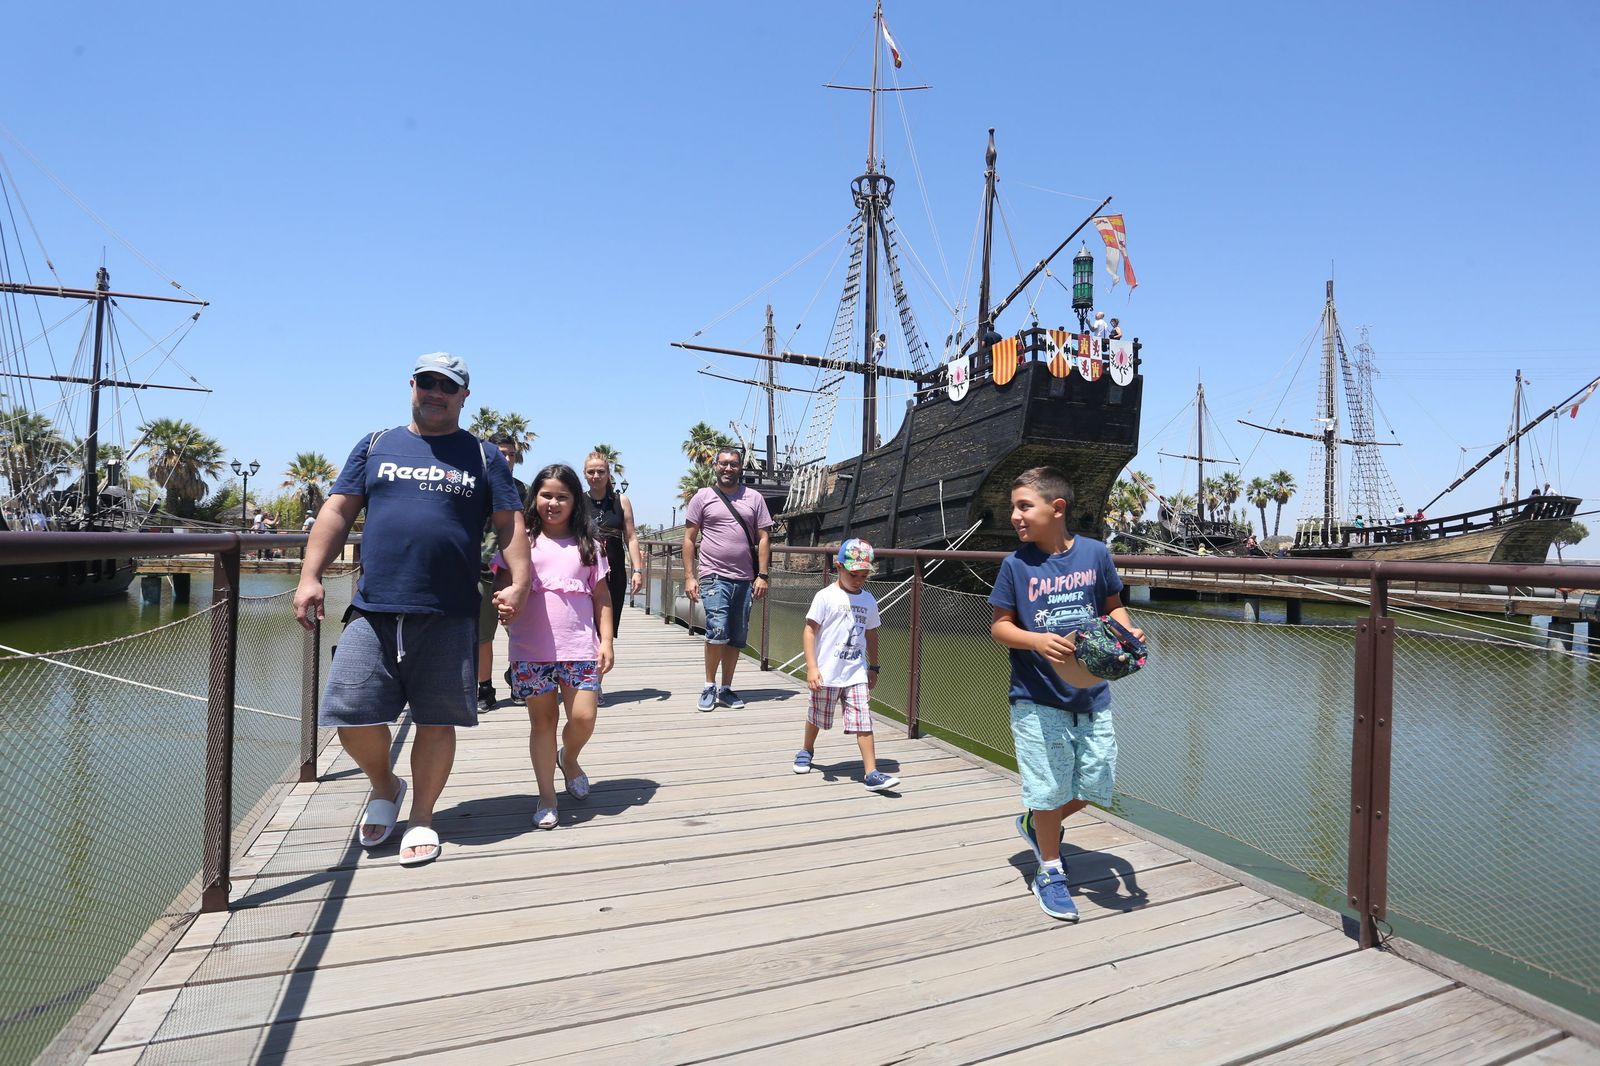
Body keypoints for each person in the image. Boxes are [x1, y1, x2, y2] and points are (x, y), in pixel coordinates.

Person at [294, 352, 529, 866]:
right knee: (350, 713)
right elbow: (337, 510)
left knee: (436, 719)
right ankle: (385, 783)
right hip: (374, 606)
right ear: (412, 386)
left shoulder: (485, 456)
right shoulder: (376, 444)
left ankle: (422, 816)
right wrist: (310, 575)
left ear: (464, 395)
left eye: (448, 386)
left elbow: (509, 524)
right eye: (427, 382)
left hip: (449, 611)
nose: (436, 393)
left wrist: (522, 582)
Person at [988, 466, 1143, 922]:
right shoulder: (1016, 565)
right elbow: (1000, 625)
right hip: (1035, 694)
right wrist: (1035, 639)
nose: (1015, 515)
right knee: (1049, 784)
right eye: (1013, 507)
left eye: (1024, 506)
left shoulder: (1095, 554)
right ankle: (1050, 870)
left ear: (1057, 509)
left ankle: (1036, 821)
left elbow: (1113, 608)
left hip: (1091, 691)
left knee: (1097, 782)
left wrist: (1129, 630)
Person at [497, 462, 613, 828]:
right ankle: (546, 795)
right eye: (546, 495)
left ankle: (571, 757)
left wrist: (606, 640)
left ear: (575, 501)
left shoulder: (589, 545)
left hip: (580, 647)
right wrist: (503, 605)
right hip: (531, 650)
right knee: (542, 722)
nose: (553, 502)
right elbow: (502, 584)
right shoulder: (521, 542)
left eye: (562, 496)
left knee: (583, 717)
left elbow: (602, 595)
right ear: (535, 499)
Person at [792, 539, 899, 791]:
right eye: (853, 574)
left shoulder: (869, 600)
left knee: (863, 719)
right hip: (827, 672)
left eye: (864, 575)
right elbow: (809, 631)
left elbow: (871, 634)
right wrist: (812, 667)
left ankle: (871, 772)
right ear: (838, 567)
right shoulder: (825, 596)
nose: (859, 580)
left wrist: (874, 666)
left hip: (855, 672)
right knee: (817, 715)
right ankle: (807, 749)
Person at [683, 446, 772, 712]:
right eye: (723, 463)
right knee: (717, 630)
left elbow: (764, 537)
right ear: (715, 466)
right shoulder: (703, 497)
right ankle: (709, 685)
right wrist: (689, 576)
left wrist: (763, 575)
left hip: (745, 578)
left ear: (740, 468)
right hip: (713, 574)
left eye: (733, 464)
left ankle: (726, 688)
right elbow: (689, 538)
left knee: (736, 635)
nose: (728, 468)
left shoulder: (754, 498)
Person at [477, 433, 528, 710]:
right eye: (500, 453)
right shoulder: (475, 485)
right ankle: (484, 688)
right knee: (483, 634)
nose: (505, 459)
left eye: (510, 454)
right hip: (482, 567)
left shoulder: (523, 491)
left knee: (518, 630)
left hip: (512, 569)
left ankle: (518, 678)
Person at [583, 451, 645, 668]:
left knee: (606, 627)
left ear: (609, 474)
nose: (596, 476)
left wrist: (638, 570)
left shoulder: (622, 501)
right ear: (585, 474)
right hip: (585, 572)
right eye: (591, 472)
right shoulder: (578, 501)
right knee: (585, 626)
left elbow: (631, 537)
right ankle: (585, 676)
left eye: (601, 471)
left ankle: (596, 680)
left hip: (614, 571)